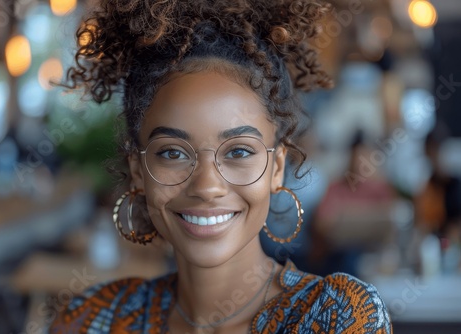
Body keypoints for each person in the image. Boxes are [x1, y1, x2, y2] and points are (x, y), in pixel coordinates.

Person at [49, 0, 392, 333]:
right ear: (138, 170)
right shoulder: (91, 320)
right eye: (173, 153)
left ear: (276, 167)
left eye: (239, 152)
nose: (207, 186)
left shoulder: (338, 318)